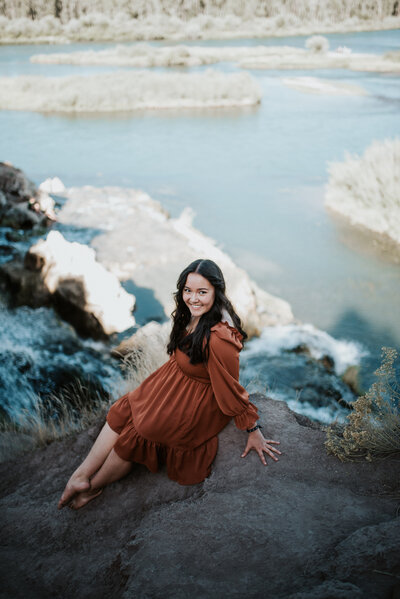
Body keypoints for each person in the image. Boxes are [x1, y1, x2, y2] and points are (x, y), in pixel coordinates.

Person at [58, 259, 281, 510]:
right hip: (171, 382)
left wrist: (253, 430)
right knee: (126, 407)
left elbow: (230, 389)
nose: (193, 298)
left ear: (216, 292)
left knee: (140, 432)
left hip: (194, 401)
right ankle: (79, 476)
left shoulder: (219, 338)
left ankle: (93, 486)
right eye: (188, 290)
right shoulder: (194, 313)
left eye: (202, 292)